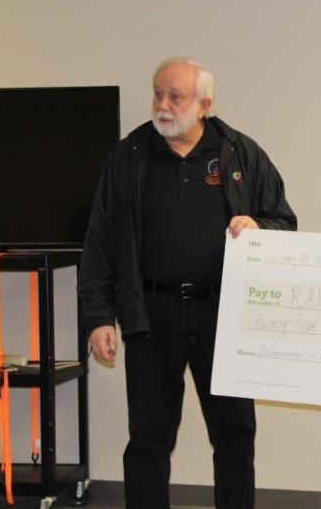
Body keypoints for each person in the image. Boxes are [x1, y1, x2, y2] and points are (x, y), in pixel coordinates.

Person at [77, 57, 297, 509]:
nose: (162, 104)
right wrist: (98, 317)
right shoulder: (129, 155)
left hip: (222, 314)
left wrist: (259, 227)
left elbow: (284, 222)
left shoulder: (240, 153)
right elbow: (100, 241)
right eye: (158, 93)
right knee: (148, 438)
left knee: (235, 434)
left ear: (204, 105)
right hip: (150, 315)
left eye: (175, 96)